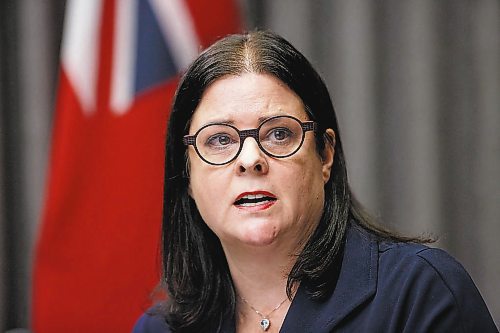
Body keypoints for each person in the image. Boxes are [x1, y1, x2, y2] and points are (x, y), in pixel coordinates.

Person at [132, 30, 498, 333]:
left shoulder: (419, 292)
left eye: (278, 134)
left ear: (325, 155)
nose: (250, 160)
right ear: (188, 175)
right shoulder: (158, 329)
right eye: (220, 139)